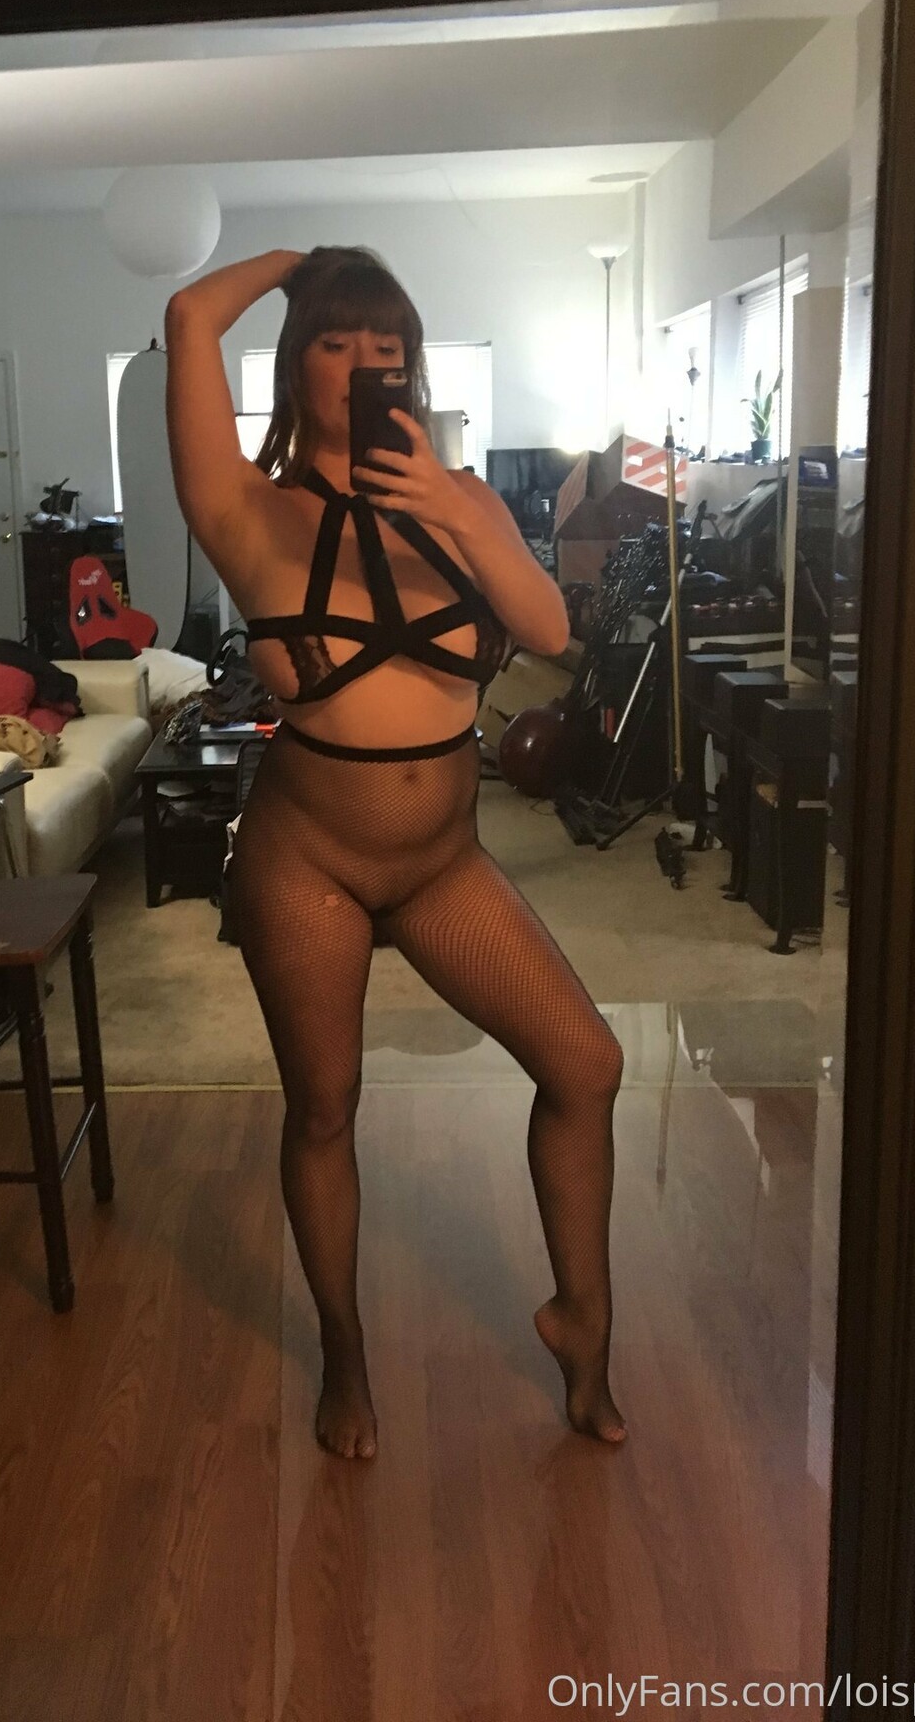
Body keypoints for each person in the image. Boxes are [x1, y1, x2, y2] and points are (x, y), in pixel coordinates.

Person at [164, 245, 627, 1457]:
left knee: (586, 1066)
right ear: (296, 363)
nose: (366, 363)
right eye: (336, 341)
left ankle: (583, 1321)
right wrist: (300, 267)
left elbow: (551, 629)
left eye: (387, 343)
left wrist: (451, 508)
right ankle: (345, 1352)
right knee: (325, 1109)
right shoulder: (246, 509)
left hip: (441, 863)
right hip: (308, 858)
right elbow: (188, 313)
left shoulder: (460, 497)